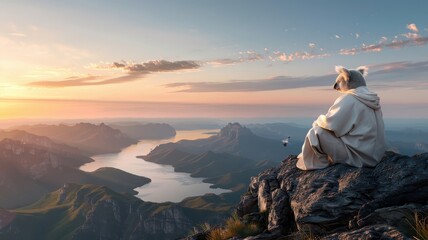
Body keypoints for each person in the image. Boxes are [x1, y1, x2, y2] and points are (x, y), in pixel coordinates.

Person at [296, 66, 386, 170]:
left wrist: (317, 122)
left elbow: (331, 125)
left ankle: (322, 163)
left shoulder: (350, 98)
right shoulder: (371, 100)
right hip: (373, 157)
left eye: (338, 82)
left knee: (316, 132)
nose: (335, 87)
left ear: (347, 80)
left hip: (357, 158)